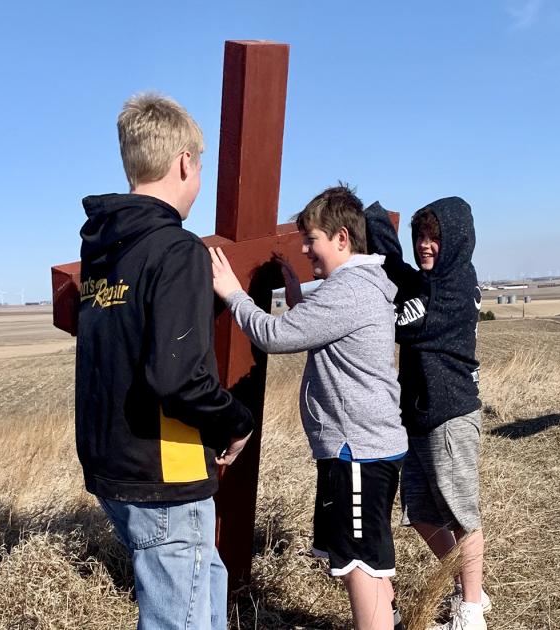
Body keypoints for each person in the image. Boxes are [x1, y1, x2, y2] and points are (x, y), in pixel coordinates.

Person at [76, 92, 254, 630]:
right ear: (184, 162)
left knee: (206, 588)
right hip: (165, 473)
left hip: (113, 467)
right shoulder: (176, 250)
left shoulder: (104, 251)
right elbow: (177, 377)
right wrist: (236, 422)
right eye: (199, 167)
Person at [209, 184, 408, 630]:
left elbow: (276, 336)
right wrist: (297, 294)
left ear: (342, 238)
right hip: (369, 447)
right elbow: (324, 328)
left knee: (359, 565)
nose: (304, 248)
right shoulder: (360, 286)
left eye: (311, 239)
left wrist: (233, 293)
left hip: (357, 452)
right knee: (370, 558)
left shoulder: (348, 291)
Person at [365, 198, 489, 630]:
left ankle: (471, 613)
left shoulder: (453, 290)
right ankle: (469, 584)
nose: (424, 245)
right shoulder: (430, 283)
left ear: (455, 241)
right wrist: (374, 219)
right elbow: (399, 270)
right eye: (420, 236)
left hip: (450, 414)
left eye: (434, 237)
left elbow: (402, 321)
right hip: (419, 416)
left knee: (462, 516)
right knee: (418, 511)